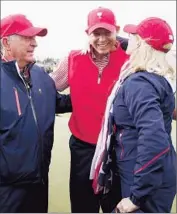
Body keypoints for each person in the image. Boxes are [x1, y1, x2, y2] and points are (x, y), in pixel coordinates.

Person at [90, 17, 176, 213]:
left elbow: (154, 138)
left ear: (142, 45)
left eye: (134, 36)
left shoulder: (139, 84)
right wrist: (105, 36)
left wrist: (136, 197)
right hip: (156, 175)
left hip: (144, 180)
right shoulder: (157, 77)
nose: (129, 38)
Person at [50, 7, 129, 213]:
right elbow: (45, 89)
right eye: (96, 33)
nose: (101, 39)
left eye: (107, 32)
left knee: (118, 207)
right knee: (83, 207)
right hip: (83, 148)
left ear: (116, 31)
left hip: (117, 149)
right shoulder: (73, 59)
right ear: (88, 34)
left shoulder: (129, 61)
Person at [0, 14, 72, 213]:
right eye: (27, 37)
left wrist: (96, 95)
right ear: (6, 42)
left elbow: (58, 102)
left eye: (35, 38)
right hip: (6, 189)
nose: (35, 43)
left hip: (39, 181)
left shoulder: (40, 75)